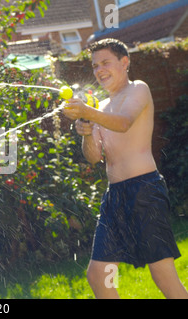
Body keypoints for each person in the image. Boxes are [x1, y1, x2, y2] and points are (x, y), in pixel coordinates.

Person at [62, 38, 188, 299]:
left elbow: (124, 123)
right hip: (115, 197)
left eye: (105, 62)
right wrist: (86, 132)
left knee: (162, 272)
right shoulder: (102, 108)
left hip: (144, 190)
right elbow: (94, 157)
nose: (99, 70)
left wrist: (89, 112)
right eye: (95, 65)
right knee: (99, 275)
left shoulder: (138, 90)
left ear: (125, 62)